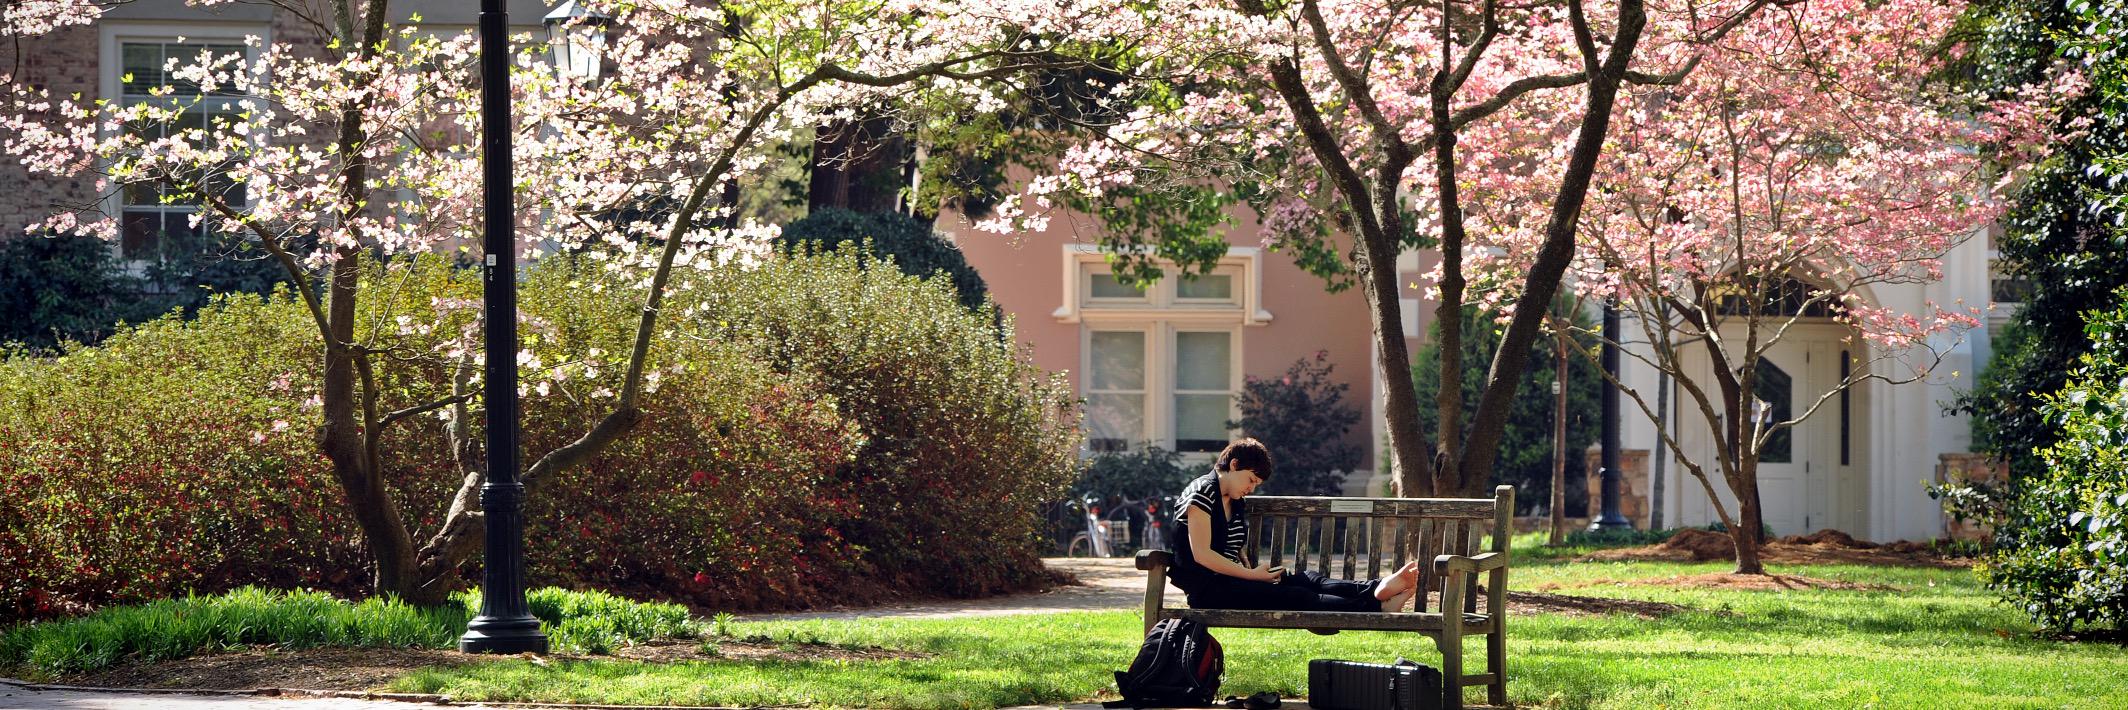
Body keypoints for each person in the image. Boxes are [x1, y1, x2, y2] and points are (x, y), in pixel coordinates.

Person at [1166, 438, 1421, 612]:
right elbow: (1202, 555)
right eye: (1250, 480)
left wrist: (1255, 576)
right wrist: (1251, 576)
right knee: (1298, 596)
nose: (1251, 488)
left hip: (1234, 582)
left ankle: (1376, 588)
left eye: (1255, 484)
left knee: (1307, 579)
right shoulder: (1201, 493)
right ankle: (1377, 607)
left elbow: (1232, 549)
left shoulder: (1233, 500)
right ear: (1234, 465)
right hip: (1209, 591)